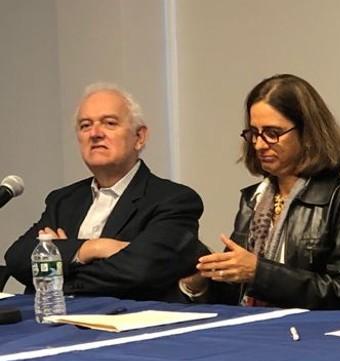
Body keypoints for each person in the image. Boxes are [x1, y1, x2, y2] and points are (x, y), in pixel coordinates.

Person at [180, 74, 340, 311]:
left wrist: (260, 272)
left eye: (272, 133)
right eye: (254, 133)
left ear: (307, 133)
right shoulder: (254, 199)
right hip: (257, 329)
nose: (259, 144)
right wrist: (201, 281)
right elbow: (237, 293)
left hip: (318, 336)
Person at [4, 83, 203, 301]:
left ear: (140, 137)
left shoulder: (174, 200)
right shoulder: (63, 200)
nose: (95, 134)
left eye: (109, 123)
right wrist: (91, 248)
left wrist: (61, 262)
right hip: (54, 322)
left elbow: (139, 272)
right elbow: (17, 259)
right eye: (85, 125)